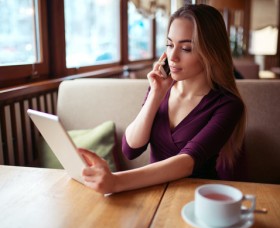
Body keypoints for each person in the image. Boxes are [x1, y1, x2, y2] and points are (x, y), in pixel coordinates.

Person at [78, 4, 246, 194]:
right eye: (169, 44)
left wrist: (116, 181)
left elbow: (187, 162)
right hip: (152, 192)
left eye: (186, 48)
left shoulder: (228, 105)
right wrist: (156, 95)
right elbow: (131, 149)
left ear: (211, 52)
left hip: (196, 198)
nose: (172, 56)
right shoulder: (160, 88)